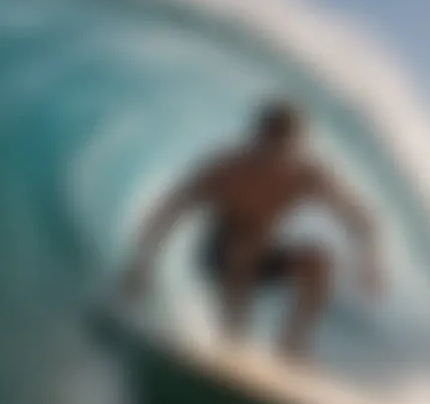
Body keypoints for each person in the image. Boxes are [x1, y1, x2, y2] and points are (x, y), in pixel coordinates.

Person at [122, 99, 382, 358]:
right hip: (216, 257)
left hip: (260, 254)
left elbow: (360, 219)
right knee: (245, 249)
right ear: (257, 139)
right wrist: (141, 266)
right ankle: (232, 343)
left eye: (285, 147)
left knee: (319, 260)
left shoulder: (307, 177)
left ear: (296, 145)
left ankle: (291, 347)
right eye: (269, 145)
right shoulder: (227, 170)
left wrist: (370, 262)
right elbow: (169, 210)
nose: (275, 157)